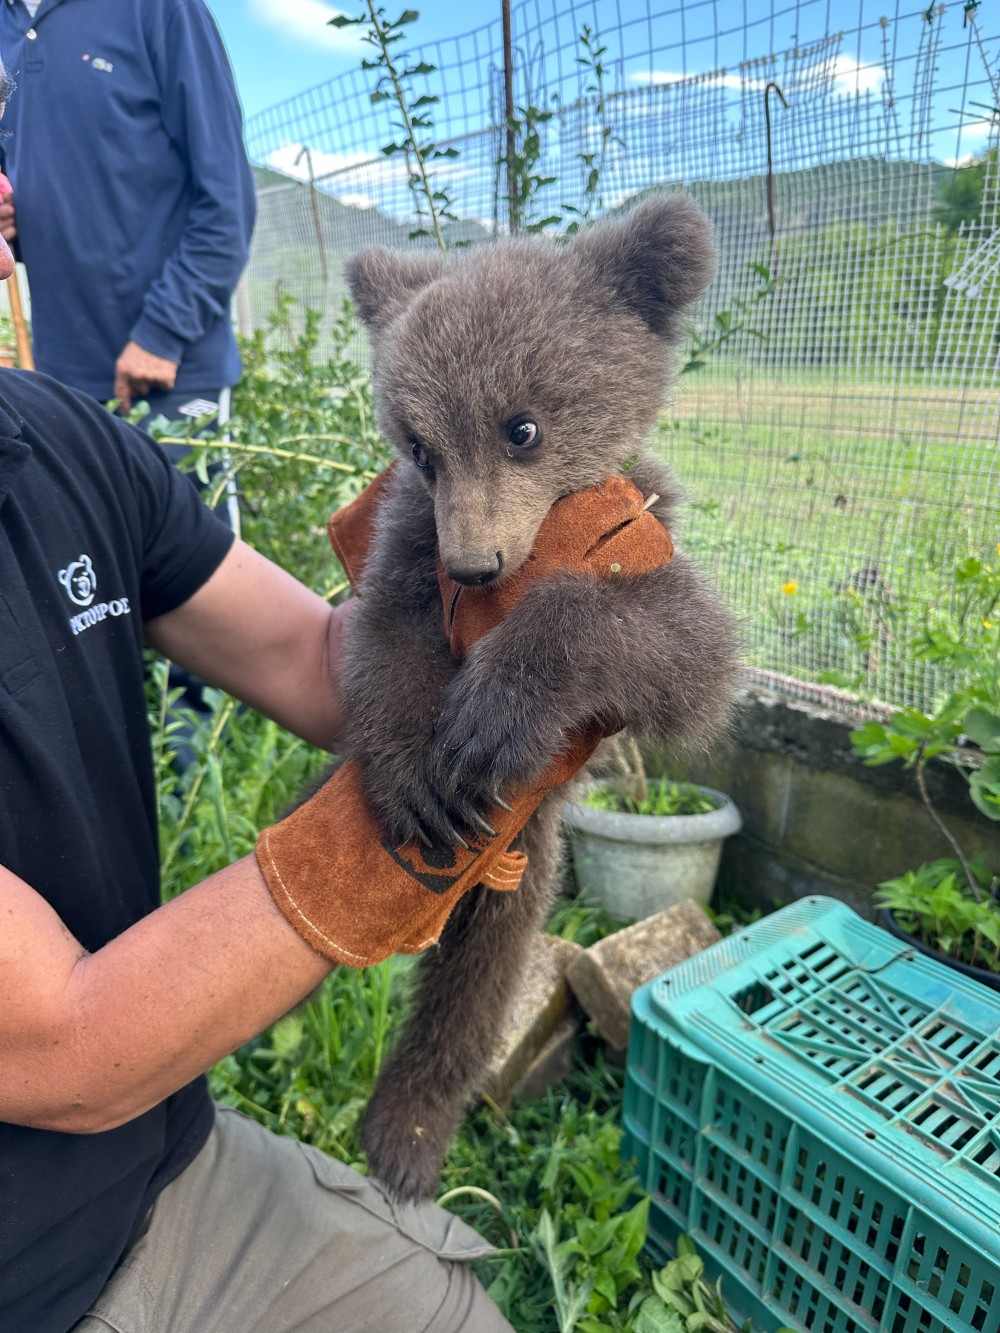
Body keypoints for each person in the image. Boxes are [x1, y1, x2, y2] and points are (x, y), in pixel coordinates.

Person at [0, 80, 512, 1333]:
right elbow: (64, 1049)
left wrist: (479, 547)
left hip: (168, 1166)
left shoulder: (58, 442)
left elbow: (312, 662)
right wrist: (424, 818)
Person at [0, 0, 256, 434]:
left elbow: (226, 197)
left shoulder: (159, 8)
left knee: (186, 502)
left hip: (169, 369)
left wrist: (163, 332)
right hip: (61, 379)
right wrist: (13, 228)